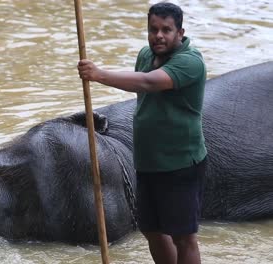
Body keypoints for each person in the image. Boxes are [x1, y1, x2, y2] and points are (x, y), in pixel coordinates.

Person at [77, 2, 207, 264]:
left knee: (184, 237)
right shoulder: (145, 56)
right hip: (148, 162)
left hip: (180, 163)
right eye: (153, 29)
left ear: (180, 33)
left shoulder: (190, 62)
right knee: (151, 230)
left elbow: (149, 83)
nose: (158, 35)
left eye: (166, 30)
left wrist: (99, 74)